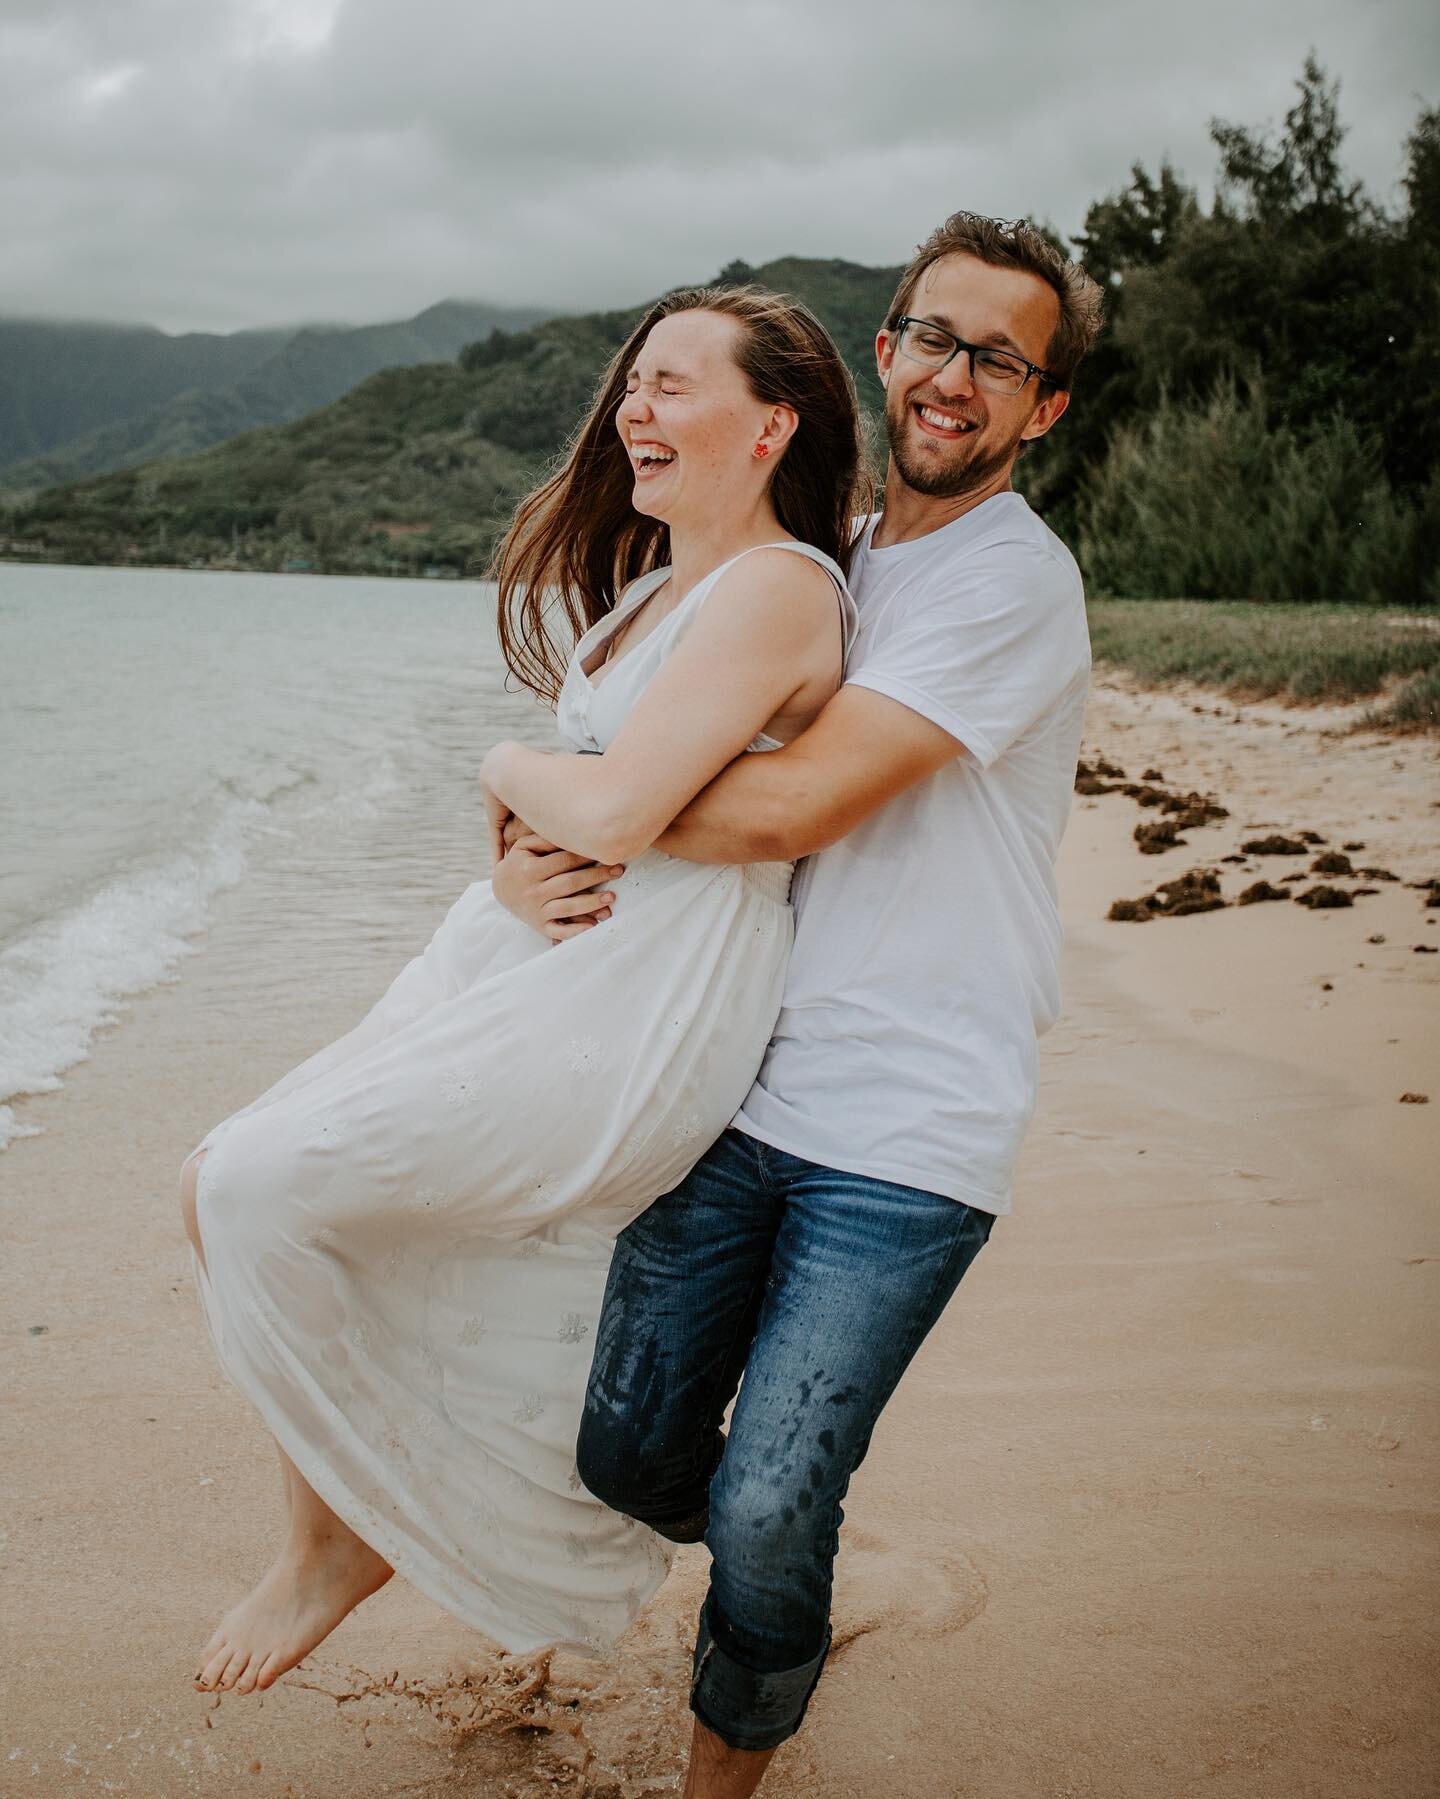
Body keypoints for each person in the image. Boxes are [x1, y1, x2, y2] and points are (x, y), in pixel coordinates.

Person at [177, 284, 871, 1698]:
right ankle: (369, 1521)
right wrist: (509, 873)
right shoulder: (640, 601)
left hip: (642, 1006)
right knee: (213, 1190)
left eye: (677, 384)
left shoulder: (784, 586)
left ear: (772, 424)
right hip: (524, 960)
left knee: (258, 1186)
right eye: (635, 383)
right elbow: (597, 816)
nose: (636, 407)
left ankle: (341, 1544)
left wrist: (500, 768)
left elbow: (617, 809)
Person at [492, 212, 1104, 1798]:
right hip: (735, 1077)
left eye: (1002, 357)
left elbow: (776, 810)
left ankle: (732, 1736)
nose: (955, 376)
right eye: (935, 337)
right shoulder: (818, 562)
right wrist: (536, 844)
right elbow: (640, 733)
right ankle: (794, 1564)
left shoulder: (1013, 584)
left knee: (762, 1498)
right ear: (887, 348)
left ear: (1042, 407)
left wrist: (589, 804)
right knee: (630, 1454)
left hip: (909, 1125)